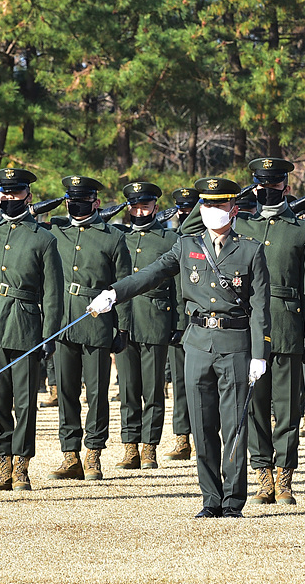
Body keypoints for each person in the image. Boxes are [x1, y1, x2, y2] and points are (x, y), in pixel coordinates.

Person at [89, 176, 271, 518]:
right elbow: (151, 274)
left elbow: (261, 307)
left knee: (233, 425)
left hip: (235, 343)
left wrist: (259, 354)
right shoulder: (187, 246)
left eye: (219, 205)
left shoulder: (250, 250)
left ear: (233, 209)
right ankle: (210, 499)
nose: (212, 211)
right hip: (198, 342)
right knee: (201, 425)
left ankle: (233, 501)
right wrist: (114, 293)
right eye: (207, 205)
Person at [233, 158, 305, 507]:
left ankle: (285, 478)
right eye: (261, 183)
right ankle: (263, 474)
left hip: (288, 327)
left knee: (286, 409)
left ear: (287, 186)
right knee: (254, 405)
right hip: (250, 328)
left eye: (274, 184)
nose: (267, 189)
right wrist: (239, 196)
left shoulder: (303, 231)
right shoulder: (242, 227)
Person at [0, 168, 63, 491]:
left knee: (24, 403)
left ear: (29, 195)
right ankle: (3, 463)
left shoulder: (43, 239)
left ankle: (22, 466)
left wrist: (50, 334)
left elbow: (53, 292)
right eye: (4, 193)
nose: (9, 198)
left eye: (15, 192)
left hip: (26, 326)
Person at [46, 175, 132, 482]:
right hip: (63, 321)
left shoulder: (111, 237)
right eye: (71, 199)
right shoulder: (55, 229)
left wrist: (122, 330)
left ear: (96, 202)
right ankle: (70, 455)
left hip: (97, 322)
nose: (76, 205)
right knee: (66, 391)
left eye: (83, 200)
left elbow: (123, 286)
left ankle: (93, 453)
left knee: (96, 393)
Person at [112, 181, 180, 471]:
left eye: (146, 205)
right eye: (135, 205)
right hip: (123, 323)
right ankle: (130, 447)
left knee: (152, 390)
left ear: (155, 206)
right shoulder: (119, 238)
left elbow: (177, 286)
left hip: (156, 321)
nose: (140, 211)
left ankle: (149, 447)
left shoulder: (168, 239)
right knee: (128, 389)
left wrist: (178, 322)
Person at [162, 186, 200, 461]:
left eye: (190, 208)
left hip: (204, 321)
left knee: (206, 384)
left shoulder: (204, 240)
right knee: (180, 381)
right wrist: (175, 323)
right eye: (181, 209)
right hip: (181, 320)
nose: (184, 214)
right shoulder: (177, 241)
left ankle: (202, 437)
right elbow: (172, 286)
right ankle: (182, 437)